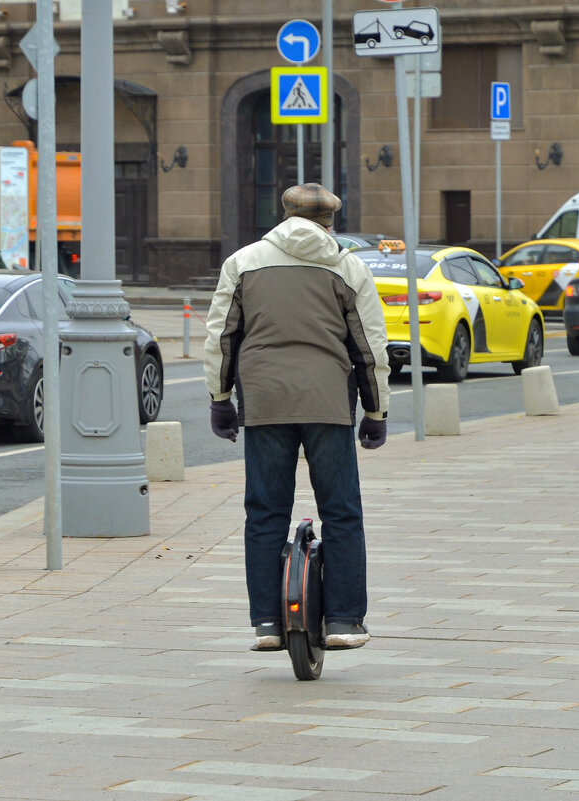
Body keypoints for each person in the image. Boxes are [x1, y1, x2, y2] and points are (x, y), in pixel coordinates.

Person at [203, 183, 390, 652]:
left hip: (265, 403)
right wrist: (376, 410)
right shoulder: (347, 267)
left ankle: (267, 623)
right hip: (328, 402)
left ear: (283, 215)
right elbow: (369, 348)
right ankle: (344, 621)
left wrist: (220, 399)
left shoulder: (243, 263)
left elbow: (222, 337)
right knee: (341, 512)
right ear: (330, 222)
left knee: (264, 513)